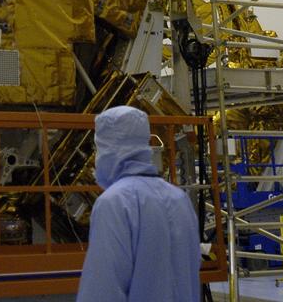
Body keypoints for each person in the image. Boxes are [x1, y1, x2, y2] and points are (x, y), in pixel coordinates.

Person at [77, 106, 200, 302]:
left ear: (109, 147)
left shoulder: (115, 203)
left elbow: (103, 286)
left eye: (98, 148)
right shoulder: (179, 199)